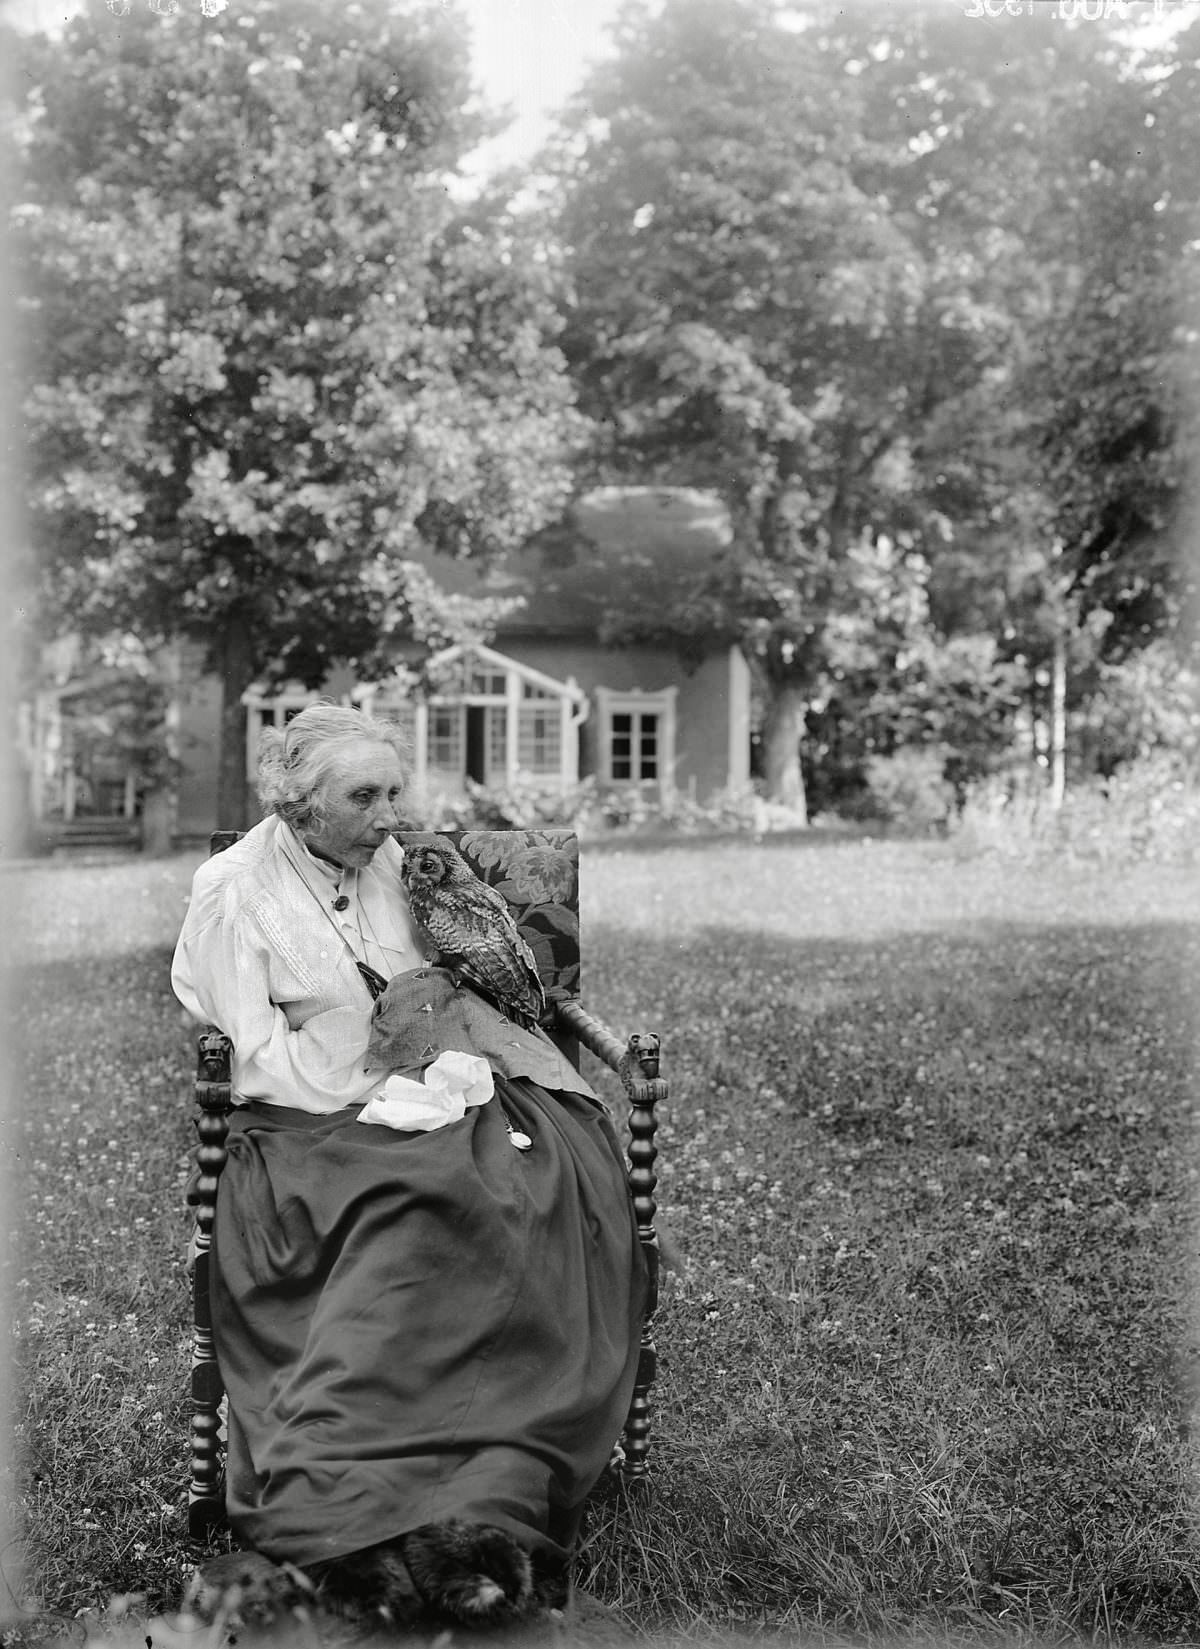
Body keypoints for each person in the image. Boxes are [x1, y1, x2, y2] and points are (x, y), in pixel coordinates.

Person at [171, 704, 647, 1627]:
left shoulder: (403, 862)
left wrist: (437, 1061)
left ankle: (486, 1478)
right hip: (309, 1118)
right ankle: (375, 1502)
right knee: (420, 1202)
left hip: (445, 1088)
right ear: (299, 805)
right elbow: (259, 1055)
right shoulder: (233, 891)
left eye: (396, 790)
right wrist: (378, 1081)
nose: (391, 814)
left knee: (531, 1189)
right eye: (365, 796)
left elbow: (477, 986)